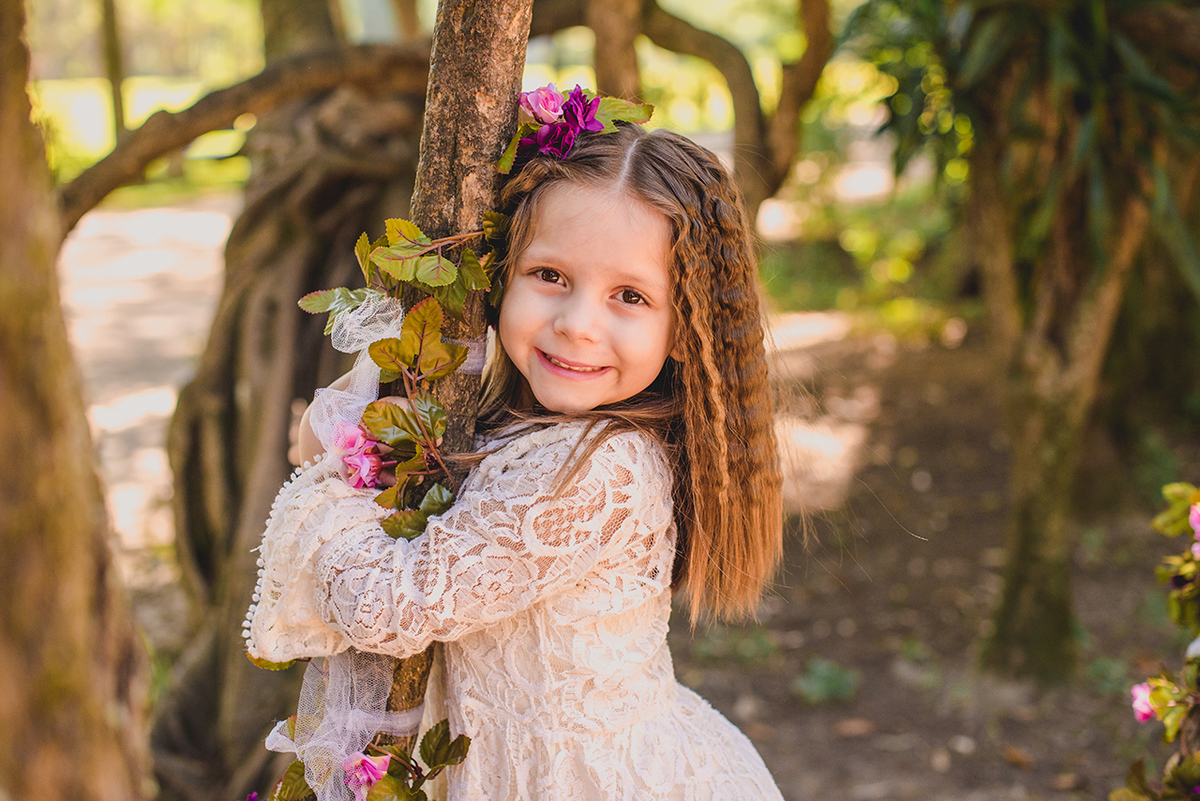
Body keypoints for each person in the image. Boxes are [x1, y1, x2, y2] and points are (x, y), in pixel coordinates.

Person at [246, 111, 785, 800]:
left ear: (685, 327)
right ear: (502, 277)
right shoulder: (510, 421)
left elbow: (388, 604)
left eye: (629, 296)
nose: (578, 324)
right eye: (550, 274)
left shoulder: (601, 469)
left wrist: (331, 477)